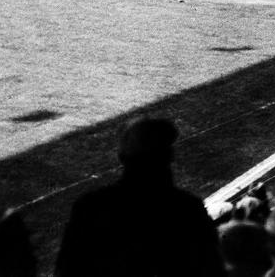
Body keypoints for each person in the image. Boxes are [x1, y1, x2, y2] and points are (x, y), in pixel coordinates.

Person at [55, 117, 225, 277]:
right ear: (169, 155)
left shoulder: (90, 207)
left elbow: (67, 269)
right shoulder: (187, 208)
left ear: (121, 157)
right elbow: (211, 268)